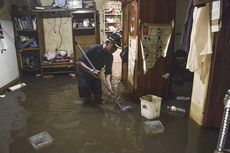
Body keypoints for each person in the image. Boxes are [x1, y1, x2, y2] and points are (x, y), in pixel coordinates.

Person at [76, 31, 122, 103]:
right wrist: (90, 70)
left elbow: (108, 72)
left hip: (96, 75)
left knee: (98, 98)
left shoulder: (110, 57)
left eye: (116, 48)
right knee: (86, 100)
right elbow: (79, 62)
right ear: (107, 43)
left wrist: (109, 88)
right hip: (84, 74)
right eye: (114, 47)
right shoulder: (94, 49)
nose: (115, 50)